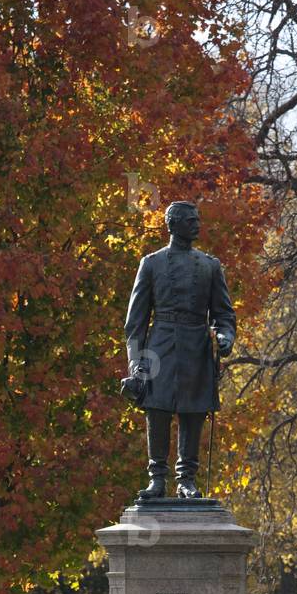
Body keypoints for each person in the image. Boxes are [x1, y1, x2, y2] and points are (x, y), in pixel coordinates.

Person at [124, 201, 236, 499]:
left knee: (193, 411)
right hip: (159, 345)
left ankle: (187, 478)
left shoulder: (210, 265)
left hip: (196, 346)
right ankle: (156, 478)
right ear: (172, 224)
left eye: (198, 219)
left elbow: (224, 314)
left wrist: (225, 336)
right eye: (190, 220)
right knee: (157, 410)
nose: (197, 225)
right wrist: (135, 366)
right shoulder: (151, 263)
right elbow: (135, 323)